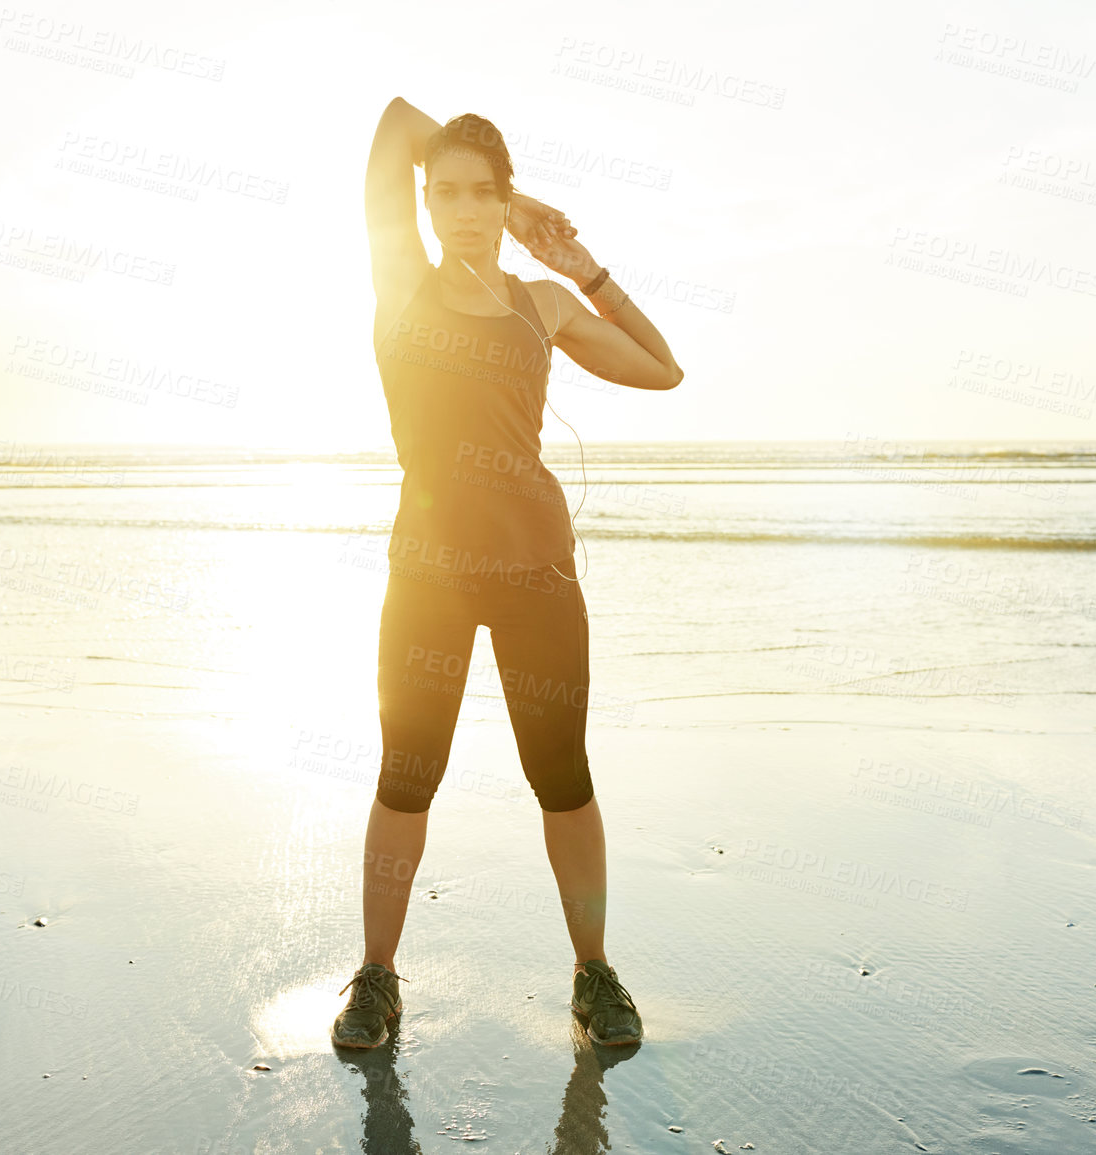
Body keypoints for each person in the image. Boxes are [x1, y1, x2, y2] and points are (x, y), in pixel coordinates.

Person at [332, 97, 684, 1051]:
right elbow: (394, 125)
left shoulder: (544, 302)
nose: (463, 209)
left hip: (535, 570)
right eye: (445, 192)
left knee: (561, 776)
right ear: (425, 203)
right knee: (405, 777)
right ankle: (375, 977)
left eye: (480, 193)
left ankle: (592, 972)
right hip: (429, 574)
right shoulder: (400, 279)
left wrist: (584, 268)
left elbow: (662, 370)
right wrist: (522, 200)